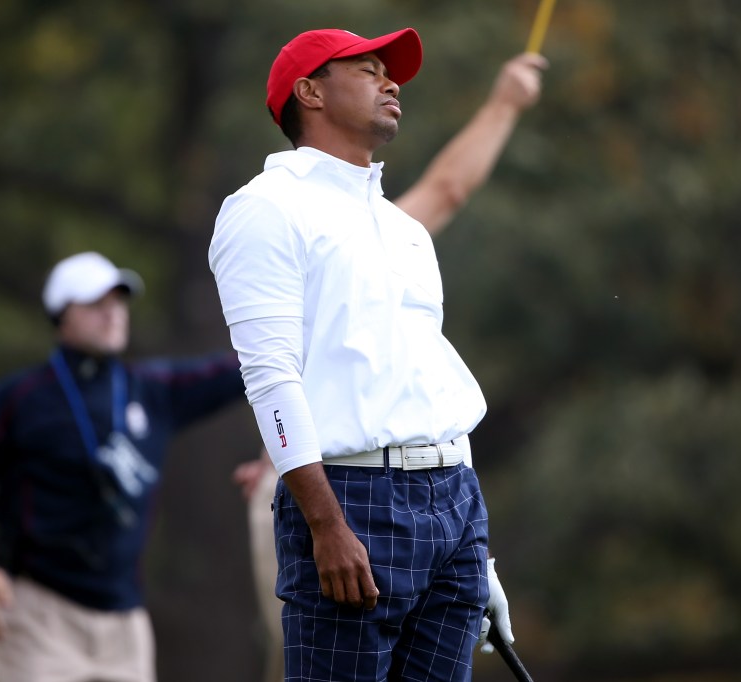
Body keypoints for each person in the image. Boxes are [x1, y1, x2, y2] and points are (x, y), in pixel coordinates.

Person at [210, 28, 545, 680]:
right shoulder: (264, 209)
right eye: (367, 70)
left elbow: (429, 382)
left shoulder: (403, 231)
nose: (392, 83)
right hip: (351, 501)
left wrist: (481, 564)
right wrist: (324, 525)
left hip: (454, 504)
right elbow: (271, 377)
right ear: (310, 91)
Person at [0, 251, 245, 682]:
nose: (112, 314)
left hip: (125, 625)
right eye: (96, 304)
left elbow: (239, 371)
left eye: (118, 303)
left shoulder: (152, 391)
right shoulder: (18, 399)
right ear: (62, 315)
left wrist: (302, 334)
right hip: (36, 614)